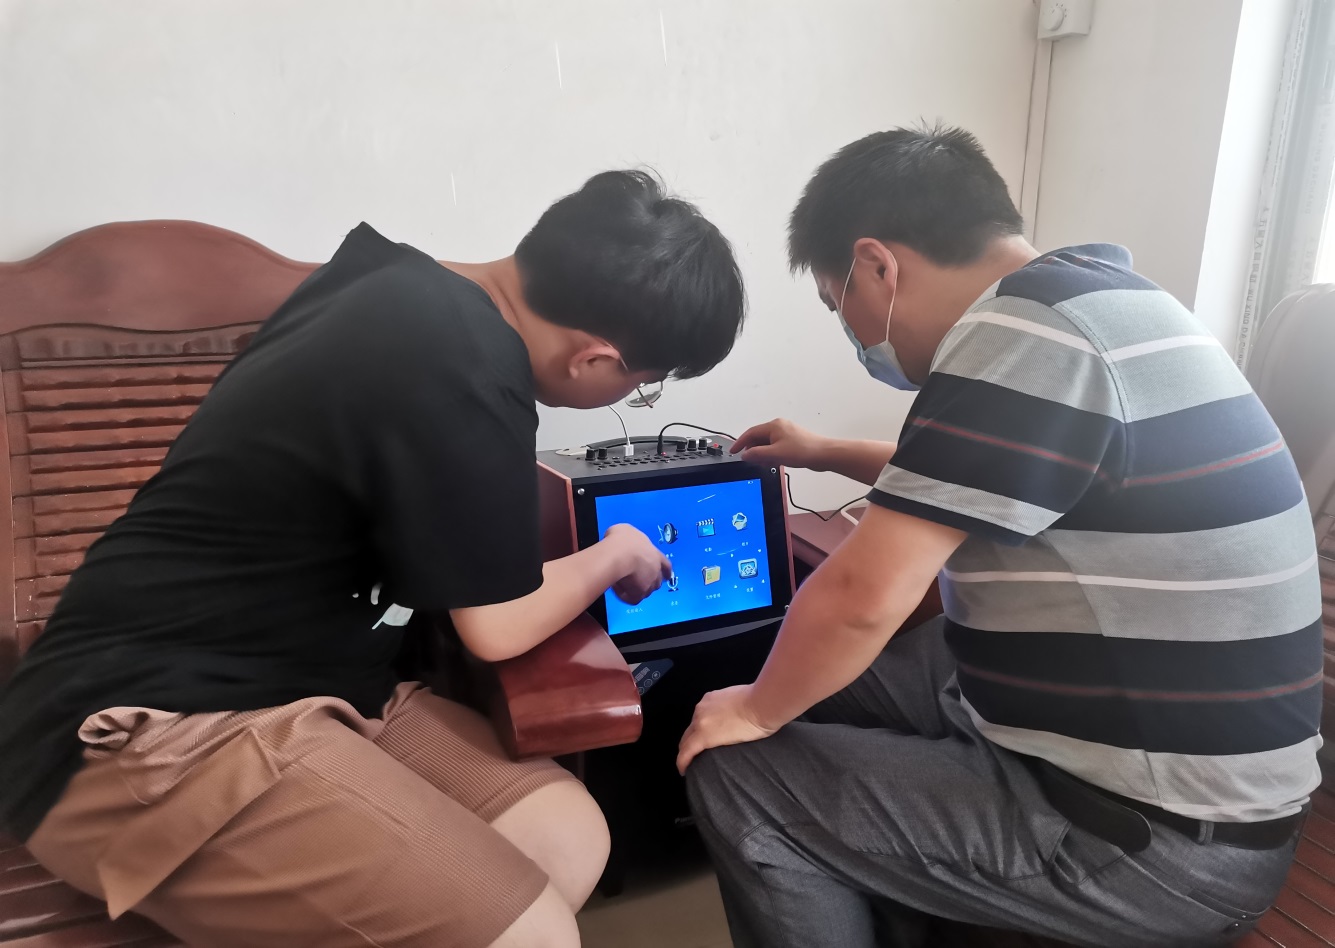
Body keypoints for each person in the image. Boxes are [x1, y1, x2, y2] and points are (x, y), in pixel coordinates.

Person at [0, 170, 745, 948]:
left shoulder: (394, 285)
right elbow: (497, 625)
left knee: (564, 835)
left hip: (322, 685)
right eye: (644, 386)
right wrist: (617, 552)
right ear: (592, 360)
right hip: (149, 726)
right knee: (534, 935)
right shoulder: (465, 368)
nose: (636, 398)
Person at [678, 126, 1322, 947]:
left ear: (877, 266)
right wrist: (825, 451)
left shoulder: (1014, 338)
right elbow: (980, 479)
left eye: (838, 305)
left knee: (743, 771)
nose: (852, 334)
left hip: (1158, 846)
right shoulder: (1092, 301)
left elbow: (861, 596)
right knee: (824, 670)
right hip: (1188, 782)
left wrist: (754, 710)